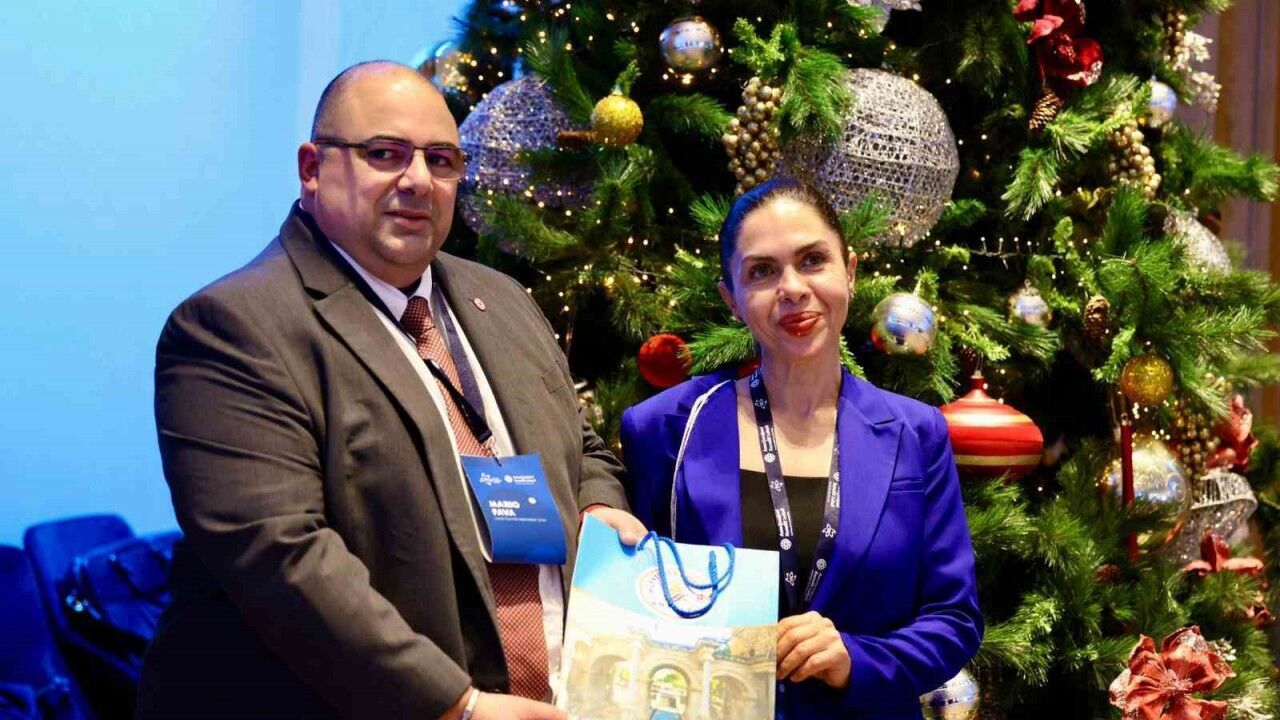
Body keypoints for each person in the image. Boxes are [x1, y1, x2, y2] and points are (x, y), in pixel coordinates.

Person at [136, 61, 644, 720]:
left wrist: (599, 503)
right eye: (384, 154)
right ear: (312, 168)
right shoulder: (233, 327)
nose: (417, 181)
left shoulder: (503, 298)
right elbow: (280, 558)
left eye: (441, 160)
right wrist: (455, 705)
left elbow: (580, 446)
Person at [620, 178, 982, 718]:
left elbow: (954, 619)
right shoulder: (664, 429)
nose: (792, 288)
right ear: (732, 299)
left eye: (813, 260)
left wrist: (855, 659)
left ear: (849, 272)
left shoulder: (916, 432)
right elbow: (632, 608)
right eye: (762, 271)